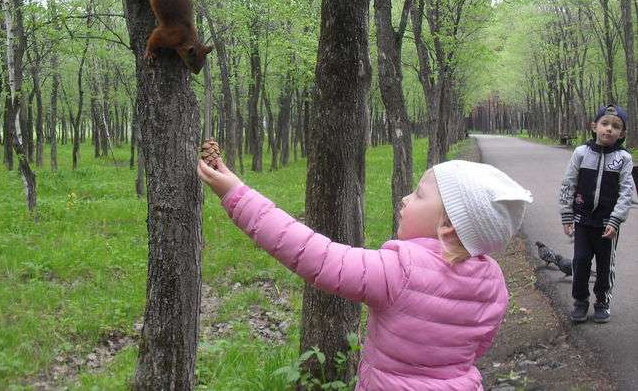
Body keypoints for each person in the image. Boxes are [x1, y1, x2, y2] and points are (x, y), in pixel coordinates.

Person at [198, 158, 532, 390]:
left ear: (447, 224)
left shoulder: (398, 271)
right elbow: (477, 347)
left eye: (418, 194)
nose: (404, 200)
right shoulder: (494, 283)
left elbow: (313, 254)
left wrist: (237, 196)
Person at [559, 104, 633, 324]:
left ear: (622, 133)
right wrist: (566, 213)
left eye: (616, 126)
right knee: (580, 262)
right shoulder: (581, 153)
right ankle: (580, 301)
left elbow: (626, 192)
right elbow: (568, 183)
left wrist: (616, 219)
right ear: (594, 126)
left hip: (607, 225)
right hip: (582, 221)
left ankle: (602, 302)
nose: (609, 129)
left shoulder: (623, 159)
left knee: (604, 266)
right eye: (605, 123)